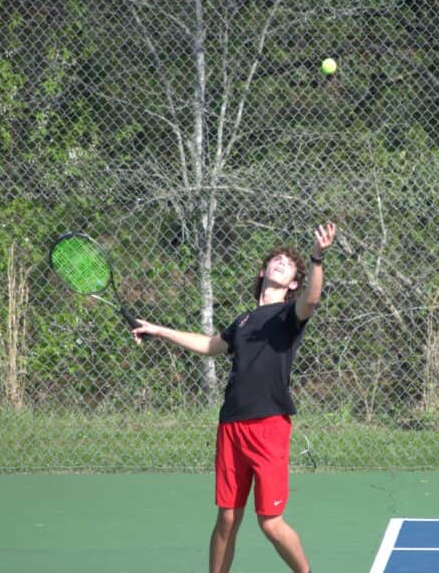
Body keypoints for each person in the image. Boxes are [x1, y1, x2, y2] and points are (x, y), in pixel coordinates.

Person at [131, 222, 337, 573]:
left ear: (293, 284)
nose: (282, 262)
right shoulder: (242, 321)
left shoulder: (290, 314)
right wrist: (158, 330)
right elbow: (211, 346)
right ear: (263, 271)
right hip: (231, 424)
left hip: (269, 423)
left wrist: (316, 257)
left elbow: (313, 299)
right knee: (227, 518)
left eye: (289, 264)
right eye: (277, 259)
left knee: (270, 522)